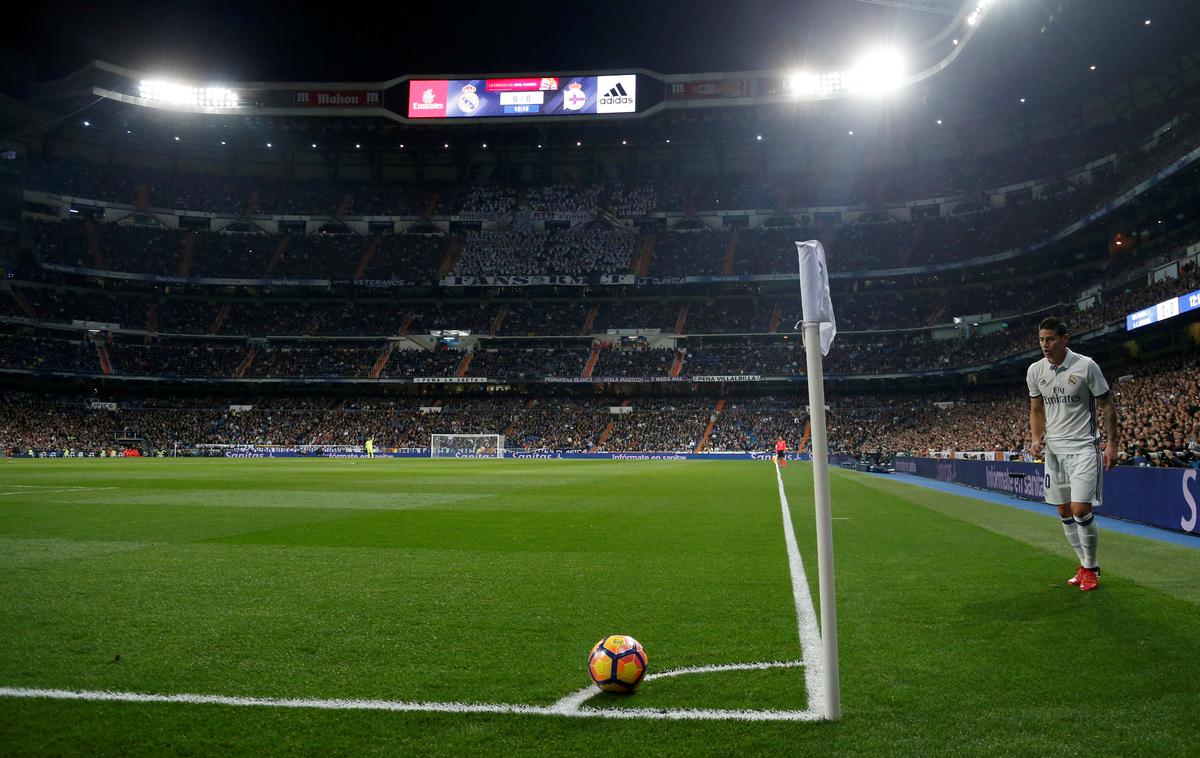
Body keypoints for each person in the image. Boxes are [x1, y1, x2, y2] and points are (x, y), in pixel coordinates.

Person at [1027, 317, 1118, 592]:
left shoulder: (1086, 366)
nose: (1045, 344)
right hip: (1054, 450)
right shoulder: (1035, 370)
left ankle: (1091, 567)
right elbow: (1036, 409)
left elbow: (1107, 405)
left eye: (1050, 338)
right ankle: (1082, 564)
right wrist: (1035, 437)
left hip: (1083, 448)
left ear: (1065, 339)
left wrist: (1112, 443)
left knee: (1081, 509)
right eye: (1042, 339)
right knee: (1064, 511)